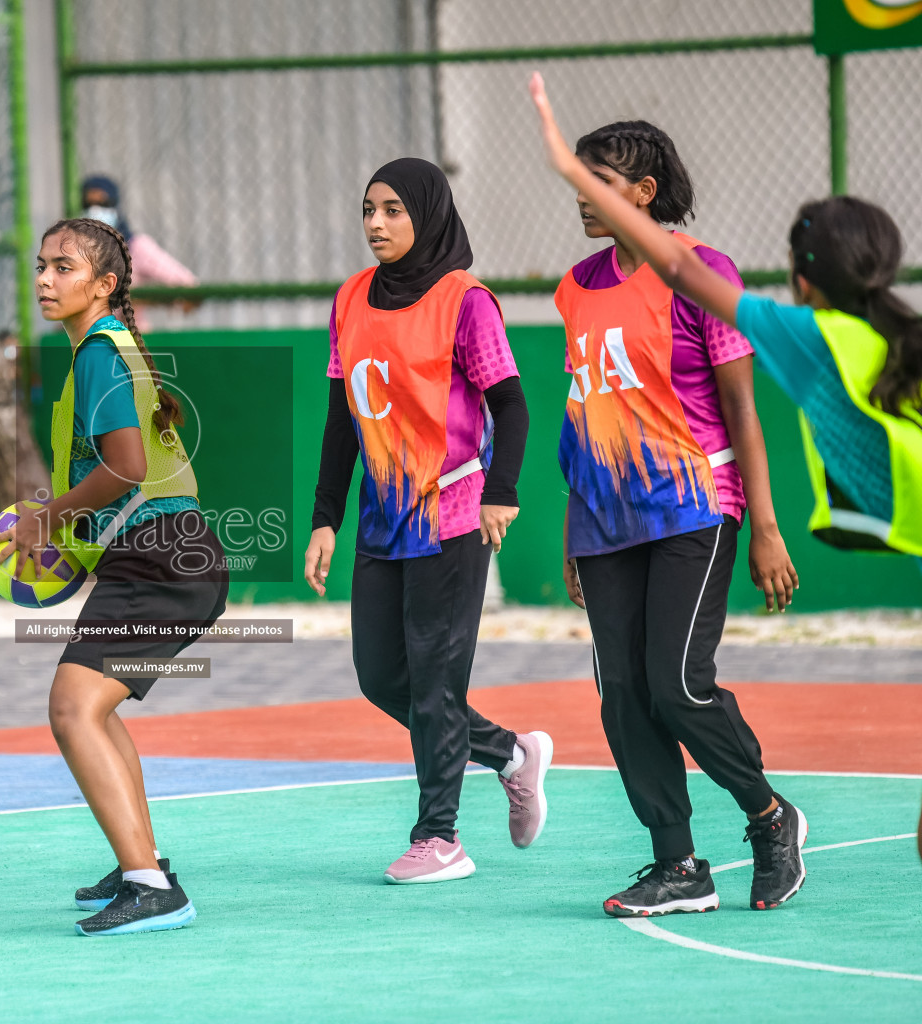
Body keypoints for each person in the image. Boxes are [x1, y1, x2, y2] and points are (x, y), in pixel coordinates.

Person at [529, 80, 814, 917]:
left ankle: (768, 815)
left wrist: (764, 528)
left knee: (677, 685)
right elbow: (586, 410)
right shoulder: (576, 287)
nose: (582, 198)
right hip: (605, 519)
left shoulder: (702, 275)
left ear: (644, 193)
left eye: (600, 183)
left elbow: (743, 412)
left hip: (694, 504)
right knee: (622, 695)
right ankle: (678, 867)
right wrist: (578, 532)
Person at [304, 158, 554, 885]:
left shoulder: (464, 300)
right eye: (368, 210)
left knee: (437, 680)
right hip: (383, 519)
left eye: (393, 211)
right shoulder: (351, 298)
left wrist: (499, 492)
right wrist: (326, 518)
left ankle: (439, 836)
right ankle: (512, 755)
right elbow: (340, 419)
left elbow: (511, 402)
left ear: (428, 215)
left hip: (451, 513)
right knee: (384, 677)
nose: (376, 224)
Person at [0, 217, 229, 936]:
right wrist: (71, 527)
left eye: (63, 268)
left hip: (163, 556)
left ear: (102, 286)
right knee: (93, 707)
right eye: (41, 265)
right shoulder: (104, 350)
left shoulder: (98, 351)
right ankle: (144, 861)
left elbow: (126, 466)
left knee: (71, 708)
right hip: (164, 554)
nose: (44, 279)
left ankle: (152, 886)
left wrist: (51, 516)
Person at [81, 175, 201, 300]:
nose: (94, 210)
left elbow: (187, 284)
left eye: (104, 204)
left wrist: (139, 297)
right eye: (88, 204)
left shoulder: (135, 247)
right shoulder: (74, 249)